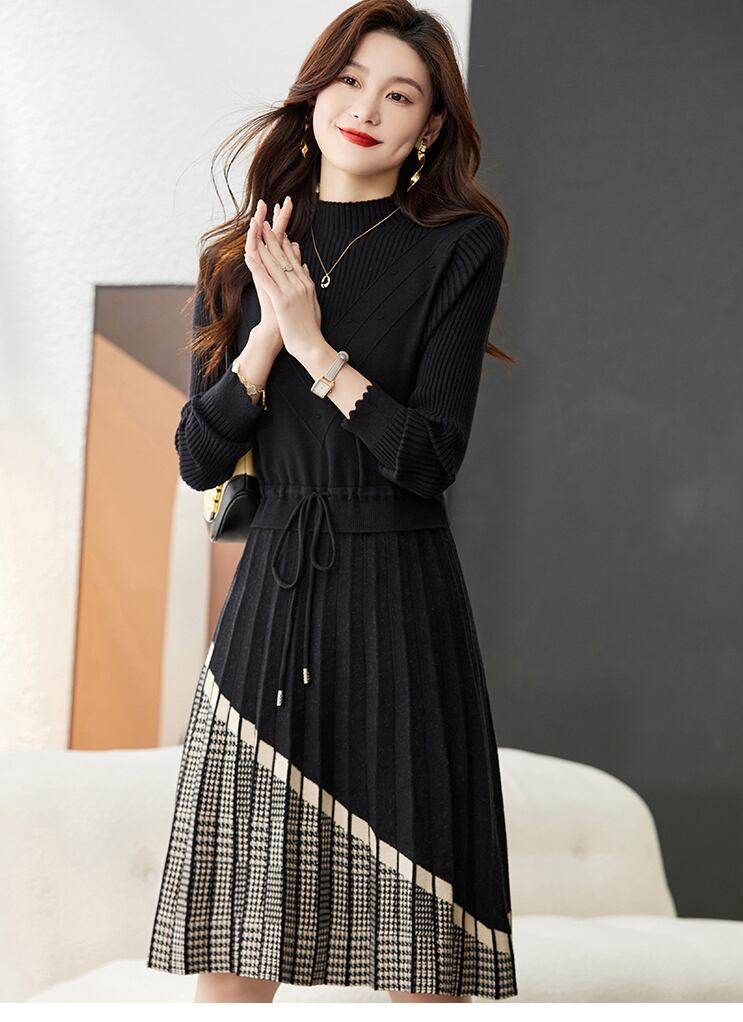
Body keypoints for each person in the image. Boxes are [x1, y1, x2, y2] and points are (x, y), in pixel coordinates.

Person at [146, 0, 517, 1003]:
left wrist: (316, 349)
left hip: (402, 596)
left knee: (423, 939)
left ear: (428, 128)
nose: (366, 109)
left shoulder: (460, 245)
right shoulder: (240, 253)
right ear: (316, 93)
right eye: (351, 81)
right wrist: (268, 334)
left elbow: (429, 459)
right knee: (233, 941)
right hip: (272, 596)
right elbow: (197, 457)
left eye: (399, 95)